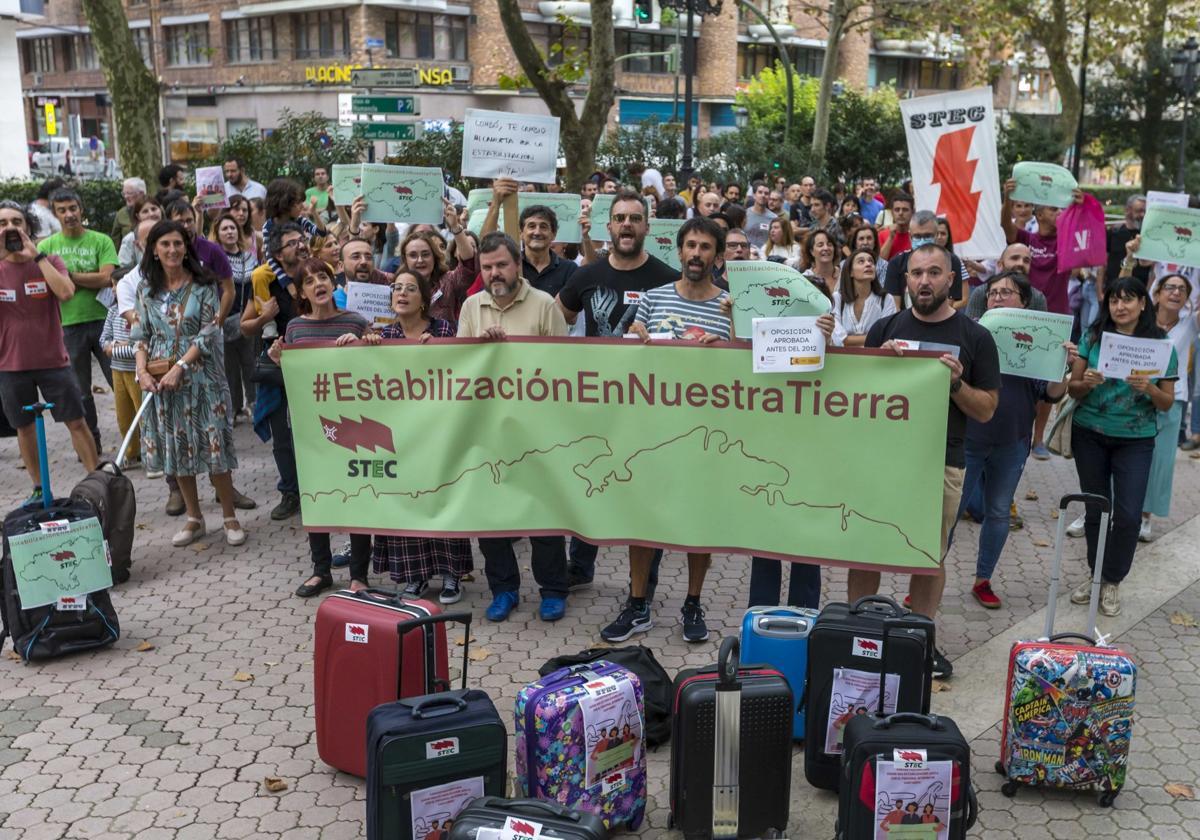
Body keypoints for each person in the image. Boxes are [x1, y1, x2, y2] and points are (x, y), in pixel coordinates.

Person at [847, 244, 1002, 678]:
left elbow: (987, 408)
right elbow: (856, 396)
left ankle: (920, 639)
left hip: (942, 462)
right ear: (906, 279)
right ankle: (861, 633)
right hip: (882, 461)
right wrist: (880, 365)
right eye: (917, 273)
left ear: (951, 279)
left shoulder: (976, 337)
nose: (925, 281)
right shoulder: (884, 328)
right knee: (866, 550)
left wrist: (955, 383)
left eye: (935, 273)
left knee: (928, 556)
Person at [598, 217, 731, 645]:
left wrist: (729, 346)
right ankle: (638, 605)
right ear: (678, 251)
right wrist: (635, 335)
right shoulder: (653, 299)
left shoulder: (730, 306)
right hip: (652, 432)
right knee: (643, 517)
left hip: (704, 433)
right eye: (690, 245)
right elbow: (630, 354)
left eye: (705, 247)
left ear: (718, 256)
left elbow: (746, 372)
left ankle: (693, 601)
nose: (696, 254)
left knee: (701, 521)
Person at [457, 232, 569, 622]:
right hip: (488, 432)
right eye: (487, 267)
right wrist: (481, 348)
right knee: (490, 517)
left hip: (535, 433)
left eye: (501, 265)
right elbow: (459, 370)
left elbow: (563, 367)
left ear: (518, 265)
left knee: (543, 516)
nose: (494, 273)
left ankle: (553, 589)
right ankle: (504, 589)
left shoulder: (542, 306)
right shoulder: (472, 307)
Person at [955, 271, 1074, 609]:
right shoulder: (970, 335)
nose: (997, 298)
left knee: (997, 512)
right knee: (952, 511)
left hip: (1012, 443)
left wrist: (1062, 368)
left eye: (1006, 293)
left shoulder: (1038, 341)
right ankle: (930, 577)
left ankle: (983, 580)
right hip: (969, 439)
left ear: (1024, 302)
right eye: (992, 293)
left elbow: (1050, 395)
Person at [1066, 271, 1176, 617]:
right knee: (1097, 509)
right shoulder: (1094, 335)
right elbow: (1072, 388)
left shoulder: (1160, 345)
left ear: (1143, 303)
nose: (1120, 305)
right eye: (1114, 299)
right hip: (1090, 434)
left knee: (1128, 516)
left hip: (1136, 439)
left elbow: (1167, 403)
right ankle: (1095, 576)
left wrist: (1150, 389)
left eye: (1128, 298)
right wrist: (1086, 382)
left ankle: (1113, 580)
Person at [266, 259, 376, 596]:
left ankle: (359, 575)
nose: (318, 284)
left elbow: (376, 369)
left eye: (323, 276)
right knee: (317, 496)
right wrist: (279, 360)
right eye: (309, 280)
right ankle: (321, 570)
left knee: (357, 497)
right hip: (312, 428)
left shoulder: (356, 322)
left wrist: (366, 343)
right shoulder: (296, 328)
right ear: (301, 292)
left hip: (353, 424)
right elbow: (297, 378)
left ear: (333, 282)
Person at [132, 220, 246, 548]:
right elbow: (140, 336)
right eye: (165, 244)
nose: (172, 250)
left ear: (187, 248)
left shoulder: (202, 285)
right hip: (161, 381)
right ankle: (194, 518)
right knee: (176, 447)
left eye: (178, 244)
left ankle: (229, 516)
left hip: (201, 376)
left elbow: (210, 330)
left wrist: (181, 365)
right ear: (153, 249)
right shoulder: (146, 290)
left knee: (214, 446)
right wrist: (142, 371)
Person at [371, 272, 469, 604]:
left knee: (441, 499)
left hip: (439, 433)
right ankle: (415, 576)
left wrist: (441, 351)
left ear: (424, 298)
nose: (402, 293)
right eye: (397, 288)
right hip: (401, 436)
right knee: (407, 501)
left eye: (410, 289)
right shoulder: (384, 336)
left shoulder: (443, 330)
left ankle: (452, 575)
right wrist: (355, 348)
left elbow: (461, 369)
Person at [0, 200, 98, 503]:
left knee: (76, 421)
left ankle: (96, 482)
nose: (10, 228)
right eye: (2, 224)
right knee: (24, 428)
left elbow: (66, 292)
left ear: (28, 227)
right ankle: (40, 488)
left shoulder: (49, 260)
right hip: (10, 364)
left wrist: (37, 255)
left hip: (53, 360)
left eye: (16, 222)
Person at [37, 188, 117, 453]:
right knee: (81, 391)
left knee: (122, 383)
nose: (69, 214)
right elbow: (46, 286)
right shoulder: (46, 247)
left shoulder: (100, 240)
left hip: (105, 322)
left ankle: (136, 442)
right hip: (68, 325)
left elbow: (106, 278)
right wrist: (85, 278)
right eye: (62, 210)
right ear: (55, 214)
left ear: (81, 209)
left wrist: (67, 277)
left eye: (73, 208)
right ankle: (92, 444)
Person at [243, 222, 306, 520]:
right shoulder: (265, 282)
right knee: (282, 435)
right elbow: (244, 327)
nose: (301, 246)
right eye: (293, 243)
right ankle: (290, 492)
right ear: (278, 254)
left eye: (302, 241)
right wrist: (264, 318)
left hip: (313, 368)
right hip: (278, 369)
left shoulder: (316, 276)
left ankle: (319, 489)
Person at [1140, 270, 1196, 541]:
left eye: (1182, 290)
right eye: (1170, 287)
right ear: (1157, 293)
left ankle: (1146, 516)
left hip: (1175, 396)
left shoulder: (1191, 323)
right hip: (1136, 394)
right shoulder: (1141, 319)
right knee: (1127, 453)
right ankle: (1110, 508)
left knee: (1161, 459)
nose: (1176, 292)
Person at [481, 178, 578, 297]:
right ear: (521, 233)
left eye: (543, 227)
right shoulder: (510, 265)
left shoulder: (569, 269)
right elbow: (486, 246)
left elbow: (568, 314)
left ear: (554, 234)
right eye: (531, 226)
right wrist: (496, 203)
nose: (537, 232)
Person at [397, 201, 477, 323]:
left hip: (444, 341)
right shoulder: (394, 285)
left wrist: (455, 226)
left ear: (434, 257)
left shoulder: (448, 281)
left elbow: (468, 264)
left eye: (425, 254)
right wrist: (355, 229)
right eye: (413, 255)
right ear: (405, 259)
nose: (420, 260)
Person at [214, 212, 258, 423]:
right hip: (224, 317)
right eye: (225, 229)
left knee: (250, 362)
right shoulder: (215, 259)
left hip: (247, 316)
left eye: (232, 228)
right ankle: (233, 408)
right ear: (218, 233)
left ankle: (254, 403)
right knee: (229, 367)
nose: (230, 232)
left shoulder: (249, 256)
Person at [883, 210, 969, 313]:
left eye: (928, 236)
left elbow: (948, 304)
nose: (922, 241)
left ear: (937, 235)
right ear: (910, 236)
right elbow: (894, 307)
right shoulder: (896, 263)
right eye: (917, 236)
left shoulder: (951, 261)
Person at [964, 243, 1046, 319]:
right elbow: (969, 329)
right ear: (1000, 264)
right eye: (1014, 258)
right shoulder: (981, 292)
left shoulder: (1038, 297)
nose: (1021, 263)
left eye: (1026, 261)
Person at [834, 248, 897, 346]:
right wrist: (874, 338)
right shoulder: (837, 298)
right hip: (842, 359)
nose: (868, 264)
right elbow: (837, 339)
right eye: (861, 261)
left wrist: (848, 340)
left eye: (871, 261)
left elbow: (887, 336)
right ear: (850, 272)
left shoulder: (886, 299)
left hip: (875, 359)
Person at [117, 197, 162, 268]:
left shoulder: (172, 233)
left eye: (154, 209)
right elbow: (123, 268)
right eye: (145, 211)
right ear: (138, 216)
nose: (151, 214)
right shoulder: (131, 238)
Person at [796, 229, 839, 298]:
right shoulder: (804, 280)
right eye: (820, 245)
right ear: (812, 251)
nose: (826, 248)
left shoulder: (844, 275)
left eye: (829, 244)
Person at [878, 193, 915, 261]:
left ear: (912, 212)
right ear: (892, 212)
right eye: (897, 210)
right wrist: (891, 238)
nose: (900, 213)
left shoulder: (917, 235)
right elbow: (880, 263)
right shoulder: (882, 235)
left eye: (905, 210)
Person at [112, 177, 146, 243]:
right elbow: (115, 240)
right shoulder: (121, 213)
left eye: (129, 193)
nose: (126, 196)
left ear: (141, 194)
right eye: (124, 193)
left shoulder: (154, 209)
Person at [743, 181, 775, 250]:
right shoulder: (744, 214)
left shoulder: (774, 218)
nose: (763, 195)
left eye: (766, 193)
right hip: (747, 254)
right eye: (760, 192)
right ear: (754, 195)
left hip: (766, 255)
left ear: (769, 197)